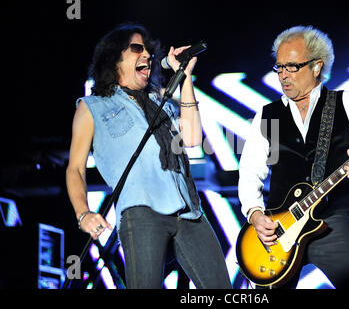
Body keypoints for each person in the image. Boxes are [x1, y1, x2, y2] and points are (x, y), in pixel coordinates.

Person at [66, 23, 231, 289]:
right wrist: (83, 213)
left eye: (148, 50)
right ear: (114, 57)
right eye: (136, 48)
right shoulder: (92, 106)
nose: (147, 55)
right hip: (142, 213)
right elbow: (75, 168)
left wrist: (185, 77)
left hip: (189, 211)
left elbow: (190, 139)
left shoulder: (159, 103)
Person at [238, 25, 349, 289]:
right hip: (277, 229)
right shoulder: (267, 115)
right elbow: (250, 170)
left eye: (291, 67)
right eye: (279, 67)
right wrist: (255, 214)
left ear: (317, 67)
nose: (283, 75)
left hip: (330, 223)